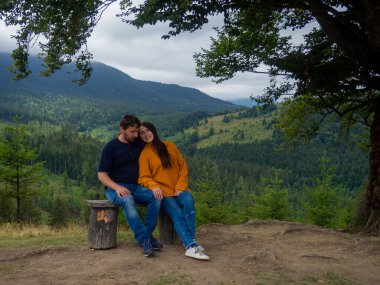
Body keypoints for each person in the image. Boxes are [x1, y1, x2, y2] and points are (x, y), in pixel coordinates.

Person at [138, 122, 210, 260]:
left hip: (178, 187)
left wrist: (180, 186)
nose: (145, 134)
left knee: (189, 201)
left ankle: (191, 241)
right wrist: (153, 185)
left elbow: (183, 166)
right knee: (176, 212)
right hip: (163, 192)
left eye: (147, 131)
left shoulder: (169, 145)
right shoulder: (145, 154)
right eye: (141, 133)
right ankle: (190, 246)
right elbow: (143, 177)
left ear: (153, 130)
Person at [98, 115, 162, 257]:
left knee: (155, 196)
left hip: (137, 186)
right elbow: (101, 174)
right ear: (122, 129)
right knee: (128, 200)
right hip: (115, 188)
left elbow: (153, 145)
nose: (135, 135)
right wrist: (117, 187)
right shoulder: (110, 148)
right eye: (132, 132)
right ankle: (144, 240)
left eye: (137, 131)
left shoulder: (138, 141)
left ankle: (147, 236)